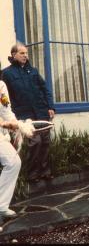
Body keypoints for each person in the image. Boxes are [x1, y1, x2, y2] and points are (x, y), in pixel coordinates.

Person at [1, 41, 55, 182]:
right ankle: (32, 175)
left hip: (41, 112)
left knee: (45, 142)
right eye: (22, 53)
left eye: (26, 53)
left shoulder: (33, 71)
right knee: (34, 142)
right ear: (14, 54)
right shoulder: (6, 73)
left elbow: (45, 89)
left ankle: (45, 172)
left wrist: (50, 107)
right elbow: (5, 98)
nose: (26, 56)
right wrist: (12, 118)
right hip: (25, 116)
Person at [0, 78, 34, 218]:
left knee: (13, 162)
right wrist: (5, 124)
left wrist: (18, 125)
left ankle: (1, 206)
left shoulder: (1, 85)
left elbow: (6, 109)